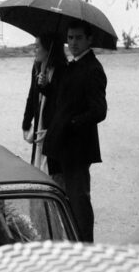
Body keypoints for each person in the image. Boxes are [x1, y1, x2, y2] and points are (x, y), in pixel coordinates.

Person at [42, 20, 107, 242]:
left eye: (78, 38)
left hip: (76, 147)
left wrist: (72, 124)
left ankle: (85, 245)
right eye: (70, 38)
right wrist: (45, 85)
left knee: (79, 199)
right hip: (60, 145)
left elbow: (99, 111)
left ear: (89, 39)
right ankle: (68, 240)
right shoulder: (72, 66)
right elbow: (61, 98)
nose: (73, 43)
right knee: (61, 196)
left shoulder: (93, 68)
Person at [21, 34, 67, 172]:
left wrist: (46, 86)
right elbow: (32, 96)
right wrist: (26, 122)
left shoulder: (63, 70)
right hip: (40, 120)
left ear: (48, 49)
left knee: (50, 169)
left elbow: (61, 104)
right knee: (37, 166)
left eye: (37, 47)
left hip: (51, 127)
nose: (35, 50)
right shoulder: (37, 67)